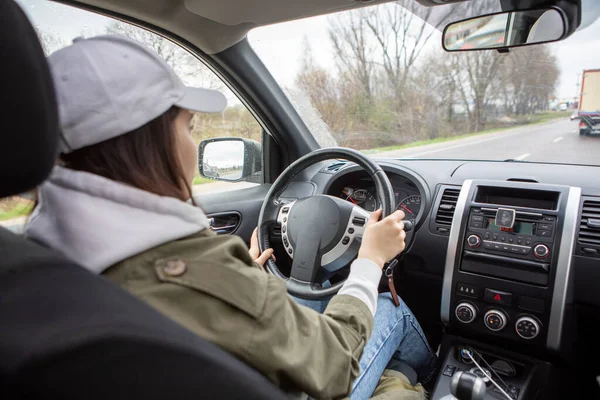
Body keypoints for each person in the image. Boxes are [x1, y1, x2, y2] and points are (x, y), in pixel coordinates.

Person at [25, 35, 436, 399]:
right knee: (387, 306)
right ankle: (428, 375)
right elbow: (334, 363)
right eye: (187, 127)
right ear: (154, 145)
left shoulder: (35, 259)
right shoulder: (196, 273)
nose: (190, 143)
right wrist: (369, 261)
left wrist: (247, 285)